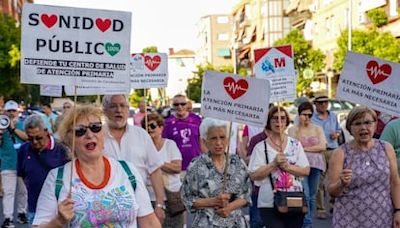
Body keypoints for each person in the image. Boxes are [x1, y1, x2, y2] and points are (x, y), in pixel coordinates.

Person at [32, 104, 161, 227]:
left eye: (95, 127)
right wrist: (58, 221)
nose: (89, 134)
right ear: (69, 140)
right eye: (80, 131)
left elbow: (149, 222)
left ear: (103, 134)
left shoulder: (127, 171)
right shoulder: (57, 178)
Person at [328, 106, 400, 228]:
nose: (363, 128)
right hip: (348, 220)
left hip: (382, 218)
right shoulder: (340, 153)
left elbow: (394, 182)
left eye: (367, 122)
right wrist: (341, 183)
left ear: (375, 125)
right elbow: (331, 191)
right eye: (357, 124)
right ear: (350, 128)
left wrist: (398, 210)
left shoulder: (386, 148)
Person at [102, 95, 166, 223]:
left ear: (128, 109)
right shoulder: (96, 136)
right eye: (113, 106)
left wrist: (159, 204)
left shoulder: (141, 135)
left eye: (122, 106)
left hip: (140, 206)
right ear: (105, 110)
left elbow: (155, 171)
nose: (118, 110)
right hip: (106, 208)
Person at [181, 118, 251, 227]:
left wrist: (229, 207)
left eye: (222, 137)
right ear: (205, 141)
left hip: (235, 223)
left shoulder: (237, 162)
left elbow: (246, 194)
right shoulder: (196, 165)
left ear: (228, 139)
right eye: (213, 138)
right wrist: (214, 201)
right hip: (206, 223)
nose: (218, 143)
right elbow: (187, 198)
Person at [248, 106, 310, 228]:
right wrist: (273, 164)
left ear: (287, 121)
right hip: (269, 203)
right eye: (275, 118)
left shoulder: (295, 144)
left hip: (294, 200)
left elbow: (306, 170)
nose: (279, 122)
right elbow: (253, 175)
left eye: (282, 118)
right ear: (269, 122)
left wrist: (288, 167)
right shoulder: (261, 147)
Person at [17, 114, 69, 224]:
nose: (35, 142)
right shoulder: (24, 150)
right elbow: (21, 174)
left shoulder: (62, 149)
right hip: (34, 208)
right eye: (30, 138)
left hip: (60, 209)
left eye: (38, 138)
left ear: (46, 131)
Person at [288, 101, 326, 228]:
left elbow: (322, 146)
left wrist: (304, 149)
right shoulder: (294, 129)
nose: (307, 118)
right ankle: (307, 223)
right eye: (304, 115)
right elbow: (293, 147)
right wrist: (300, 127)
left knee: (313, 194)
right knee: (305, 194)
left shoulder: (317, 128)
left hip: (316, 165)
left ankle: (307, 219)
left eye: (310, 115)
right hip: (301, 166)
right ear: (299, 115)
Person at [142, 113, 184, 228]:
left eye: (153, 125)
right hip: (150, 198)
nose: (149, 129)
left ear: (161, 127)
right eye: (145, 127)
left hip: (172, 199)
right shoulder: (141, 148)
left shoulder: (170, 145)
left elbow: (177, 168)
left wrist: (157, 163)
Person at [311, 95, 341, 219]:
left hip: (333, 149)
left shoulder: (333, 115)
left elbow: (339, 129)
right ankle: (321, 208)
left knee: (335, 179)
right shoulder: (312, 118)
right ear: (316, 104)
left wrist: (337, 134)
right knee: (319, 181)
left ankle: (333, 205)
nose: (324, 105)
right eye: (321, 103)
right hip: (319, 151)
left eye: (326, 102)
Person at [0, 100, 28, 227]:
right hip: (7, 163)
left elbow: (26, 137)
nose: (11, 113)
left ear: (17, 112)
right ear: (5, 111)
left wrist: (13, 128)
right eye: (9, 111)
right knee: (8, 192)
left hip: (23, 164)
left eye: (13, 111)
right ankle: (8, 218)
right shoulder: (1, 126)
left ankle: (22, 213)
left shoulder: (22, 124)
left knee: (23, 191)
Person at [162, 94, 207, 173]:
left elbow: (202, 141)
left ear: (187, 104)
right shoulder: (168, 123)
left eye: (183, 104)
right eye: (176, 104)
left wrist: (207, 159)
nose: (180, 106)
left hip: (196, 166)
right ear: (173, 106)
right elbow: (165, 146)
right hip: (178, 168)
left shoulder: (196, 119)